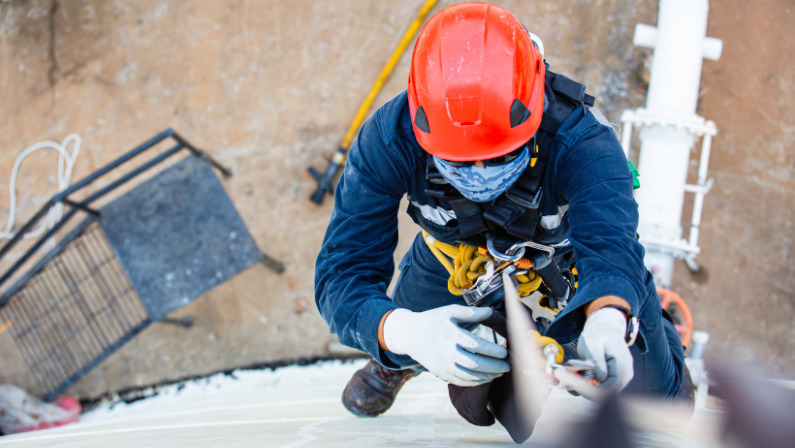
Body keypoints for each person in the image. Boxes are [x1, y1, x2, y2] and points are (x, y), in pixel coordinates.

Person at [314, 1, 685, 422]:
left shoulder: (584, 143)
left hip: (560, 256)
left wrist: (608, 314)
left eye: (498, 157)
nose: (478, 176)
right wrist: (401, 332)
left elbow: (610, 244)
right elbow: (341, 275)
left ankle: (651, 327)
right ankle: (396, 359)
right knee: (399, 336)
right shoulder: (388, 140)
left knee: (660, 400)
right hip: (454, 253)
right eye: (457, 162)